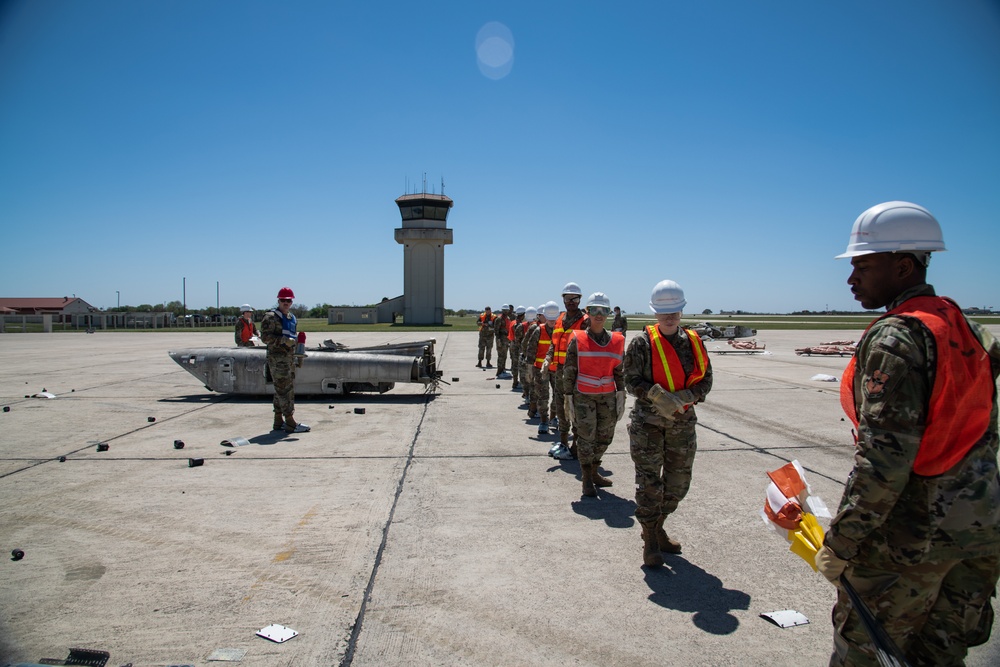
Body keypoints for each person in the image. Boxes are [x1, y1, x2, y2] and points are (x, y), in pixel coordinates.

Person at [815, 201, 1000, 667]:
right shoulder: (967, 327)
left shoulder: (896, 337)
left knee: (868, 654)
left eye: (863, 266)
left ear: (902, 267)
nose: (851, 279)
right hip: (977, 533)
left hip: (911, 539)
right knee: (941, 656)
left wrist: (842, 541)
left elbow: (884, 461)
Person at [624, 279, 712, 567]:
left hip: (682, 425)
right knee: (649, 484)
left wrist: (688, 395)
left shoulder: (694, 343)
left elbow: (706, 380)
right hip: (648, 425)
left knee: (678, 485)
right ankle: (650, 538)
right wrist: (655, 395)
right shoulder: (641, 343)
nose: (670, 317)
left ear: (681, 311)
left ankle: (658, 526)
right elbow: (630, 379)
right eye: (664, 313)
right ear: (655, 313)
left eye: (674, 312)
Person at [561, 292, 626, 496]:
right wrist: (567, 396)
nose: (599, 314)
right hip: (583, 396)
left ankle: (595, 469)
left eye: (604, 310)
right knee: (586, 438)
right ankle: (587, 477)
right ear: (587, 312)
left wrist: (621, 392)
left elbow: (619, 370)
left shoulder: (616, 340)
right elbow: (569, 370)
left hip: (608, 397)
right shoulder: (578, 339)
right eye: (594, 310)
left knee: (605, 437)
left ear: (608, 313)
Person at [260, 287, 310, 434]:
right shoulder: (270, 317)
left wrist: (298, 352)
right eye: (283, 300)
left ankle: (278, 420)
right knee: (284, 391)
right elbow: (265, 338)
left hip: (289, 358)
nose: (286, 303)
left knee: (281, 389)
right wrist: (283, 340)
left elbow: (293, 337)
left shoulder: (290, 317)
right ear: (278, 301)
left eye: (288, 300)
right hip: (277, 360)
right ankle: (290, 421)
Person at [549, 282, 590, 460]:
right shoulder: (560, 319)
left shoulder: (585, 321)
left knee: (576, 409)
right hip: (560, 372)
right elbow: (554, 343)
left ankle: (576, 446)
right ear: (563, 300)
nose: (571, 301)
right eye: (567, 298)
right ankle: (563, 442)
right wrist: (548, 358)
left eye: (575, 298)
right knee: (561, 408)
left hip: (577, 373)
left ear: (580, 300)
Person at [524, 302, 560, 435]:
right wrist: (529, 367)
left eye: (554, 318)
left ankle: (553, 417)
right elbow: (530, 349)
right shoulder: (539, 330)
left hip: (556, 369)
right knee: (542, 397)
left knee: (558, 396)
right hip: (540, 370)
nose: (552, 321)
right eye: (549, 318)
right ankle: (544, 421)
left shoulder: (560, 331)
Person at [509, 305, 526, 390]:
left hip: (512, 344)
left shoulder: (512, 322)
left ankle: (515, 382)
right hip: (518, 346)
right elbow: (519, 338)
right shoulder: (519, 325)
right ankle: (517, 383)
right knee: (519, 365)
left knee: (514, 364)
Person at [494, 304, 513, 376]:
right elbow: (496, 331)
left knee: (504, 356)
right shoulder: (499, 319)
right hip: (501, 340)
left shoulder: (508, 318)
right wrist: (498, 340)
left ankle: (503, 370)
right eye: (505, 310)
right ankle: (499, 372)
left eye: (507, 310)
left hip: (506, 340)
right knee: (501, 356)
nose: (506, 312)